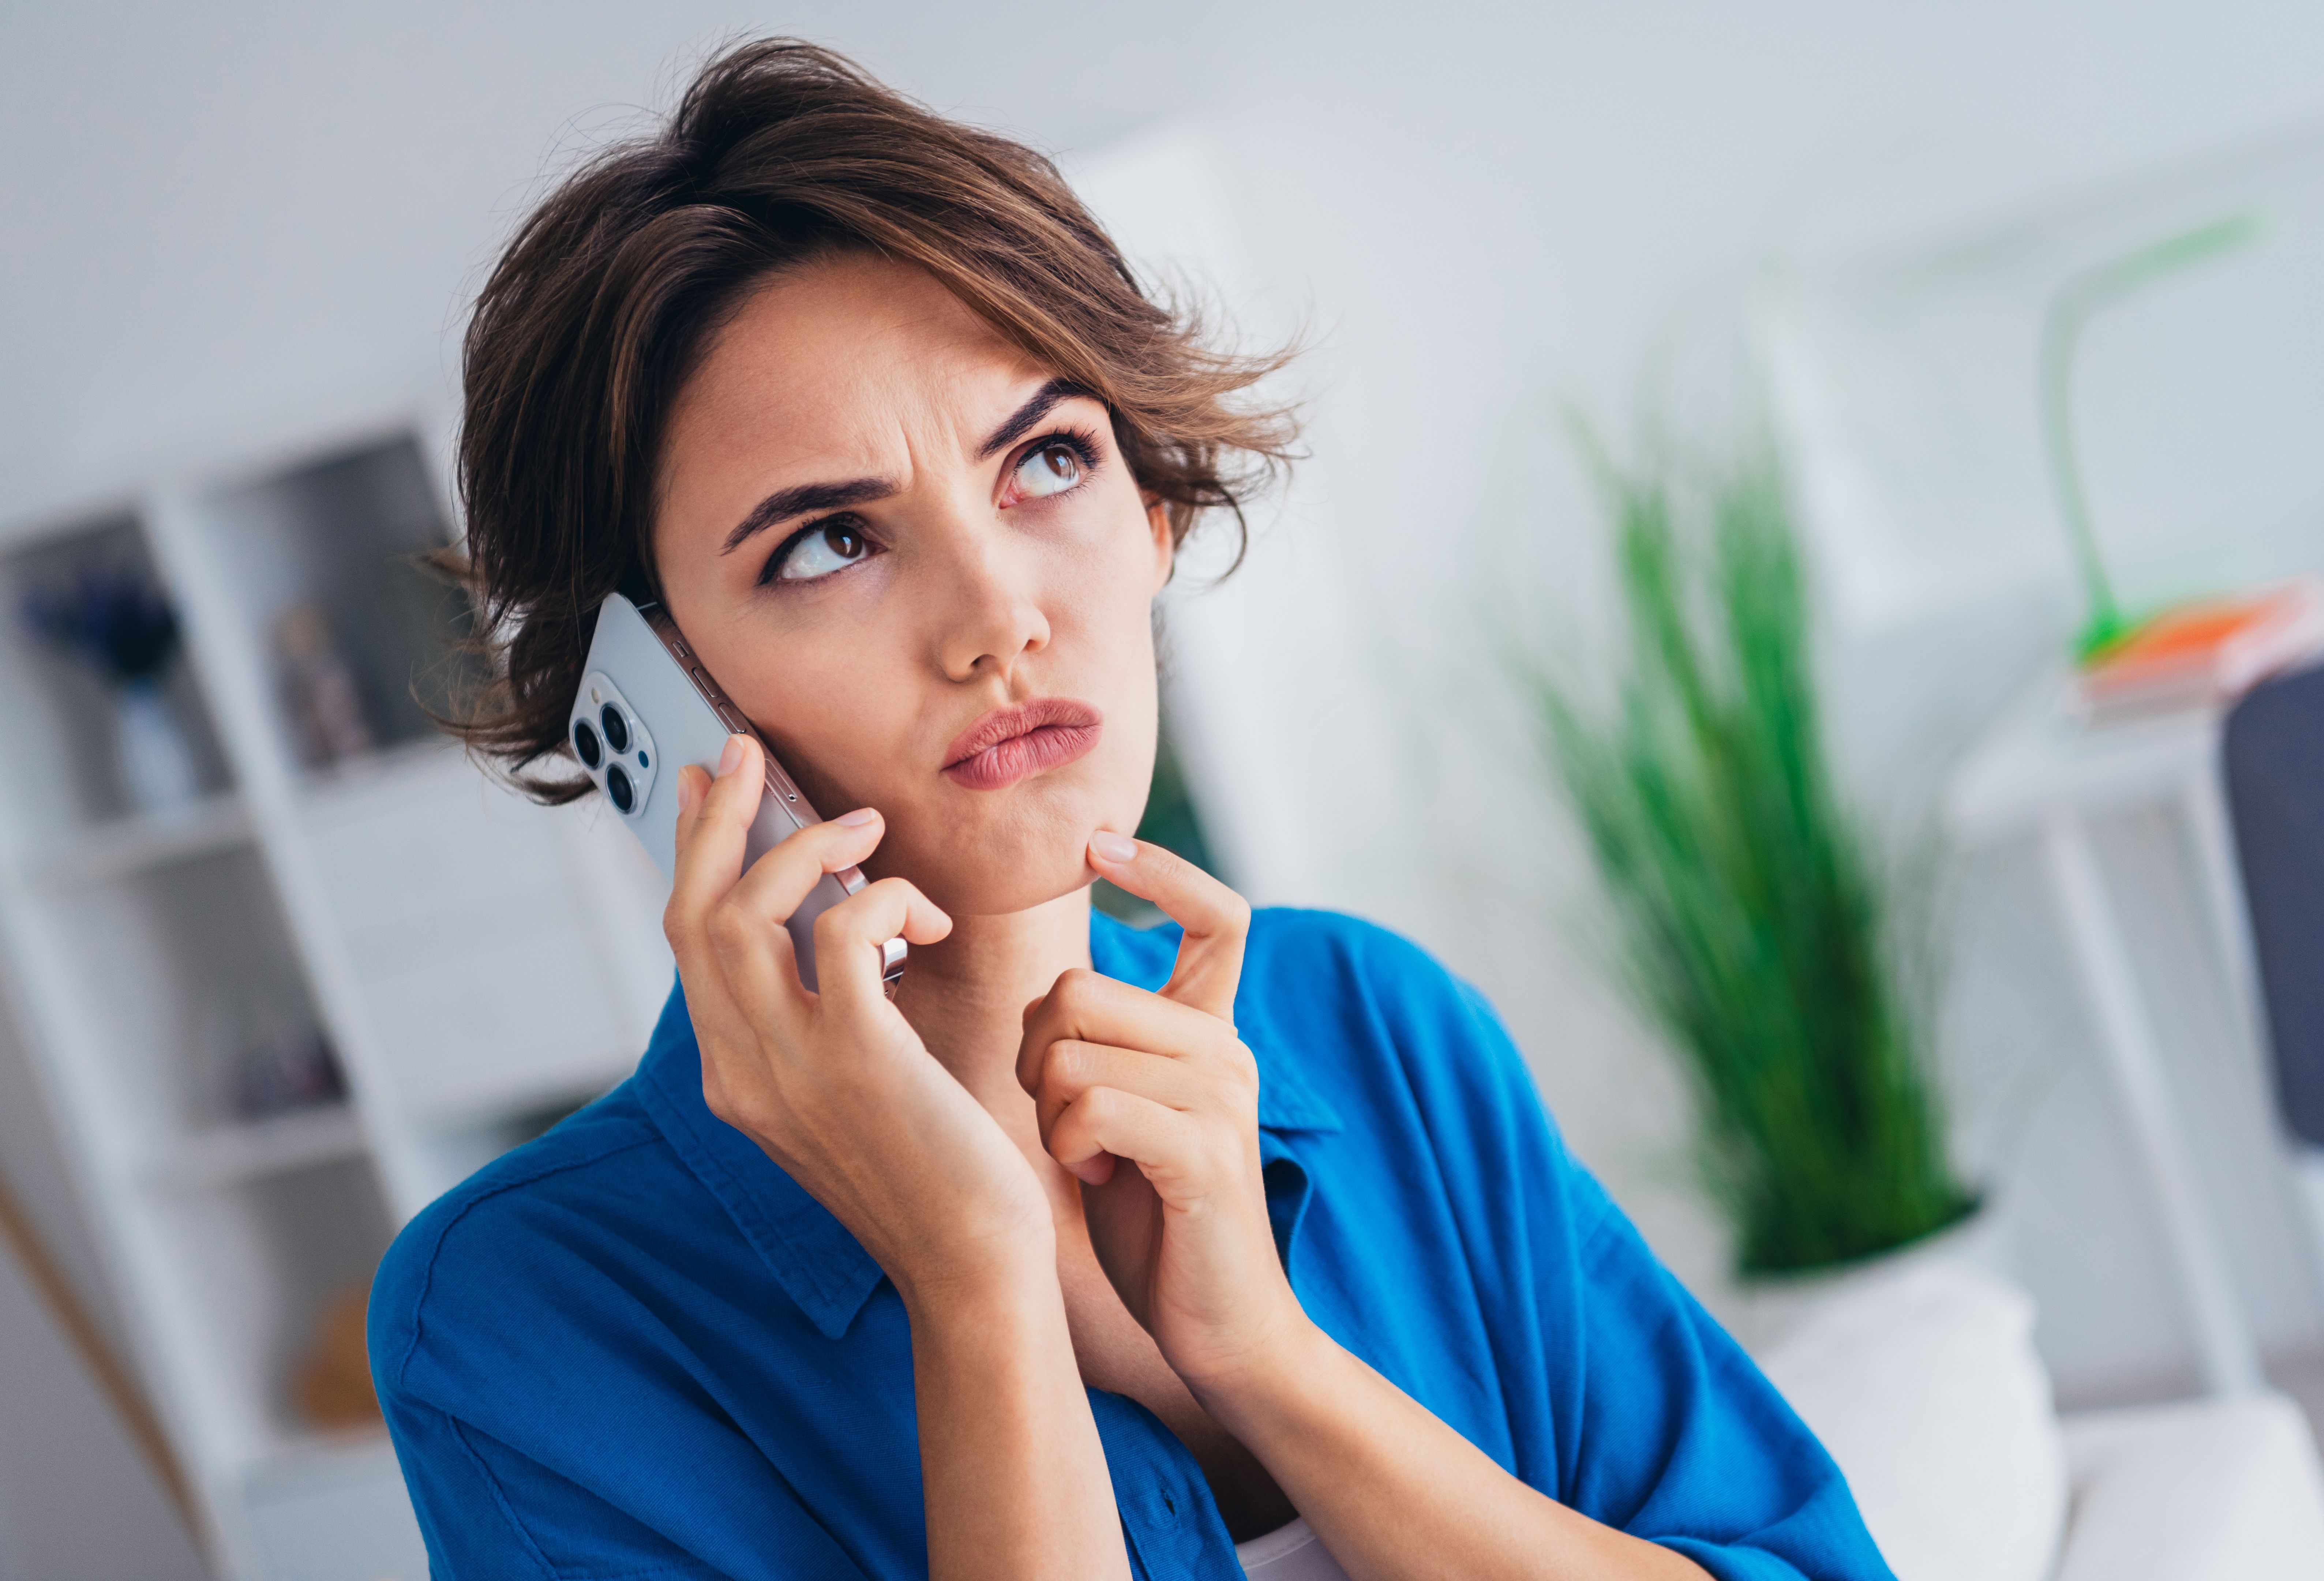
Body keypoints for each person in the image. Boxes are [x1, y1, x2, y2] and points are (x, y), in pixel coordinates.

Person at [368, 39, 1889, 1581]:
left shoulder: (1370, 1027)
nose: (995, 619)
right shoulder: (521, 1322)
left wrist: (1270, 1365)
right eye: (830, 543)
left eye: (1046, 461)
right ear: (663, 699)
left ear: (1154, 511)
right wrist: (978, 1279)